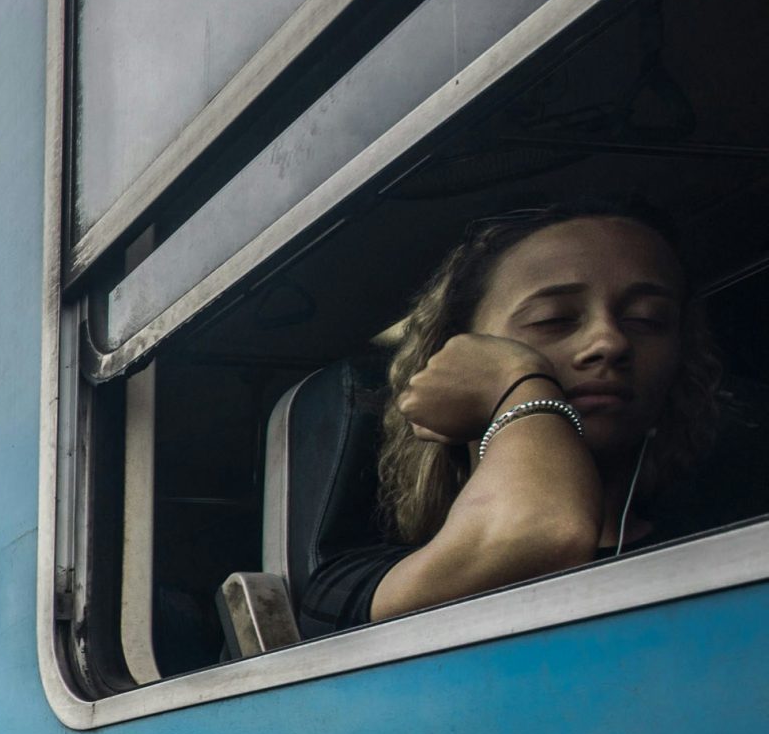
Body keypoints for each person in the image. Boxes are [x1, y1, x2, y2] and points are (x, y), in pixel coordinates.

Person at [300, 198, 728, 634]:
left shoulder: (731, 545)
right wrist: (519, 380)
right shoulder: (349, 586)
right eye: (553, 319)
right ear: (456, 357)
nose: (610, 341)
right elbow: (540, 535)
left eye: (647, 320)